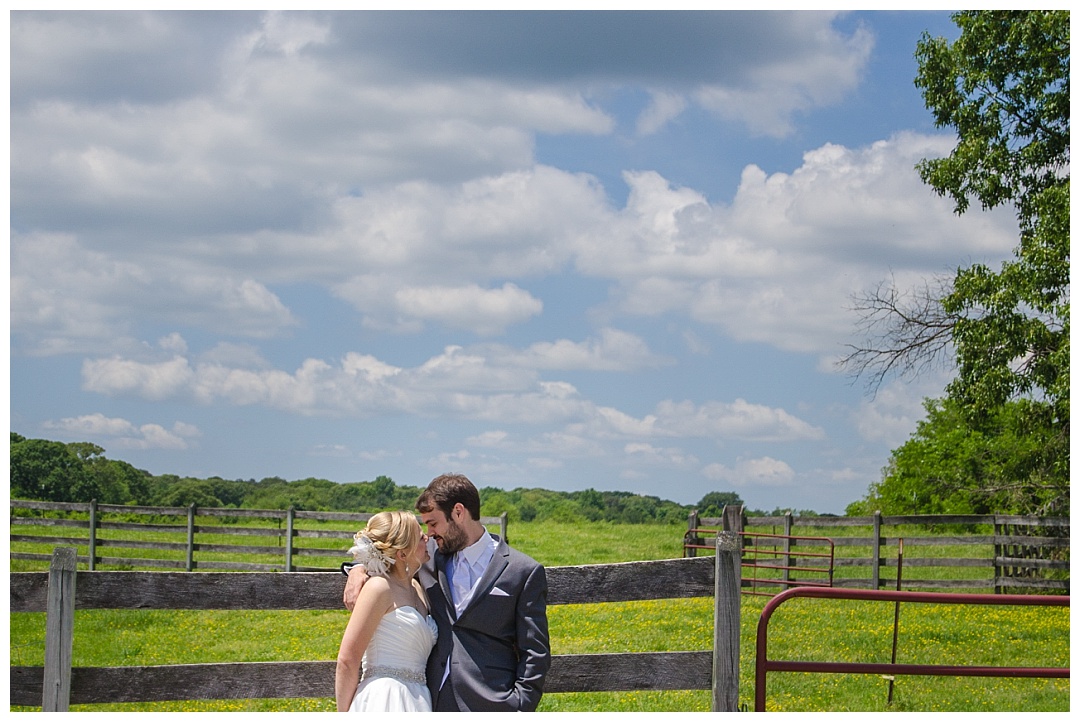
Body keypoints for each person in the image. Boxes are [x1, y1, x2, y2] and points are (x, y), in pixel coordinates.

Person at [343, 473, 550, 711]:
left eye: (433, 523)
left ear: (459, 512)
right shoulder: (426, 558)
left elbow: (535, 652)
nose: (429, 533)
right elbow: (388, 553)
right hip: (429, 701)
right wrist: (359, 568)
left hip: (493, 703)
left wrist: (519, 706)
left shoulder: (521, 571)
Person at [335, 510, 437, 712]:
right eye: (420, 537)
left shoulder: (417, 588)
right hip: (383, 697)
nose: (428, 538)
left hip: (418, 699)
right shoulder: (379, 588)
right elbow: (348, 660)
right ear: (402, 553)